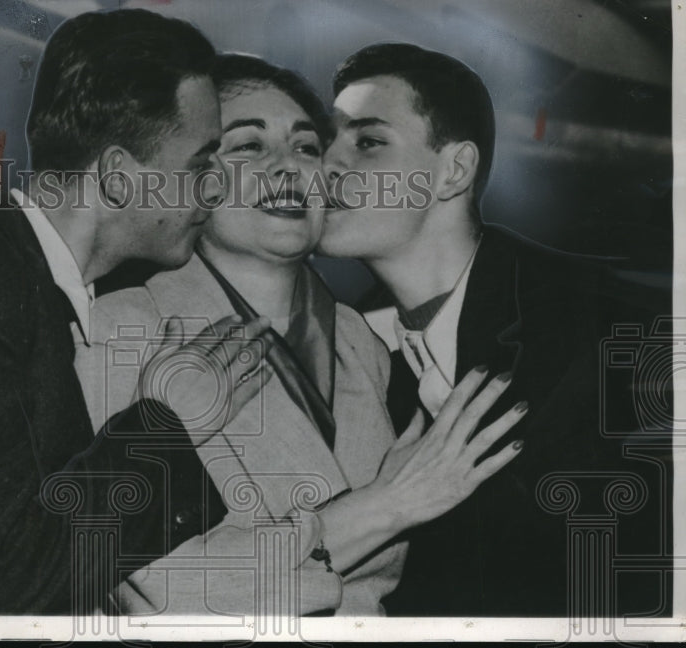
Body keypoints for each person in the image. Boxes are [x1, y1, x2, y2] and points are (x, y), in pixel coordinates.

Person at [0, 9, 277, 615]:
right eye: (199, 164)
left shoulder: (23, 284)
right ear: (119, 177)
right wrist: (169, 424)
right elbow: (12, 585)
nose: (215, 189)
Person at [78, 53, 527, 616]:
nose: (288, 168)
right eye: (247, 146)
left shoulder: (364, 343)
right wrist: (388, 505)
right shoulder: (123, 329)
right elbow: (160, 586)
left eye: (307, 147)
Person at [320, 43, 671, 616]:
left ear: (453, 170)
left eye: (367, 142)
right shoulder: (342, 352)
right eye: (326, 142)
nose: (327, 166)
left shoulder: (611, 323)